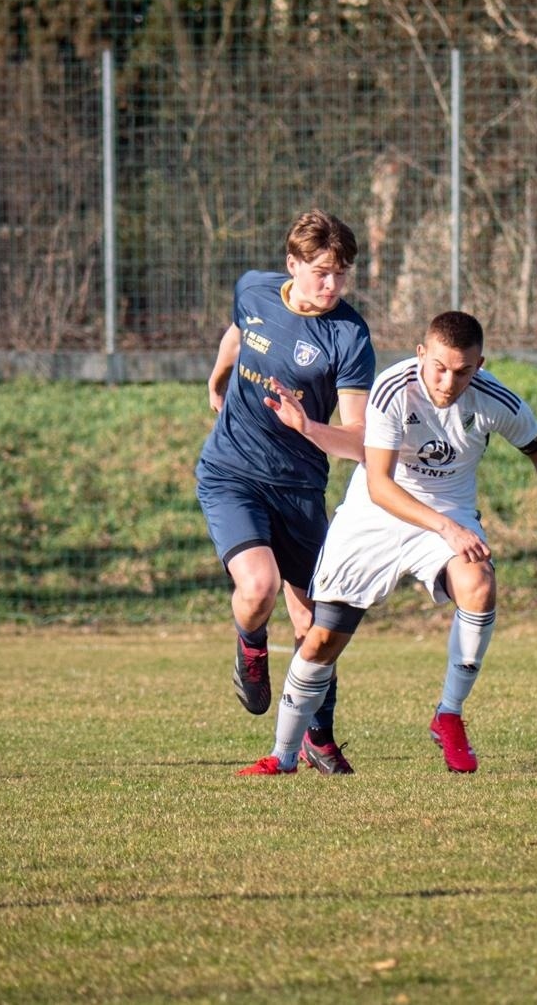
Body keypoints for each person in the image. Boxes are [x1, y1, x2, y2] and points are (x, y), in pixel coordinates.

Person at [238, 310, 537, 776]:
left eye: (463, 371)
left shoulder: (496, 401)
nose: (449, 382)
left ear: (480, 365)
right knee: (323, 639)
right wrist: (447, 529)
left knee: (479, 584)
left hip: (449, 513)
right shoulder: (392, 389)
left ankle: (448, 715)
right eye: (439, 368)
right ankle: (283, 755)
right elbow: (380, 485)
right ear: (421, 354)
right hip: (375, 514)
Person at [196, 209, 376, 775]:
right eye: (321, 272)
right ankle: (250, 645)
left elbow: (360, 440)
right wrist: (219, 376)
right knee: (258, 587)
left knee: (315, 624)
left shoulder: (348, 335)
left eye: (341, 274)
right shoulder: (254, 289)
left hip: (300, 487)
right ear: (292, 264)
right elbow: (240, 331)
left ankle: (318, 738)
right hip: (232, 472)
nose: (332, 285)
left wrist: (308, 427)